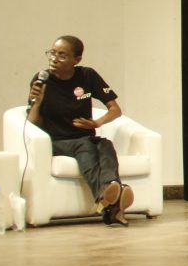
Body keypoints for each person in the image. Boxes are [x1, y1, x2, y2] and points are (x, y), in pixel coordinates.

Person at [26, 36, 134, 226]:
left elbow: (115, 109)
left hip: (85, 138)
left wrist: (97, 123)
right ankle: (110, 196)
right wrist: (38, 102)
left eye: (62, 55)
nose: (54, 58)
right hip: (57, 141)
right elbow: (32, 124)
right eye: (52, 53)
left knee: (105, 144)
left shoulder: (87, 76)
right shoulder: (41, 80)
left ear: (76, 60)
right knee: (86, 145)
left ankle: (110, 202)